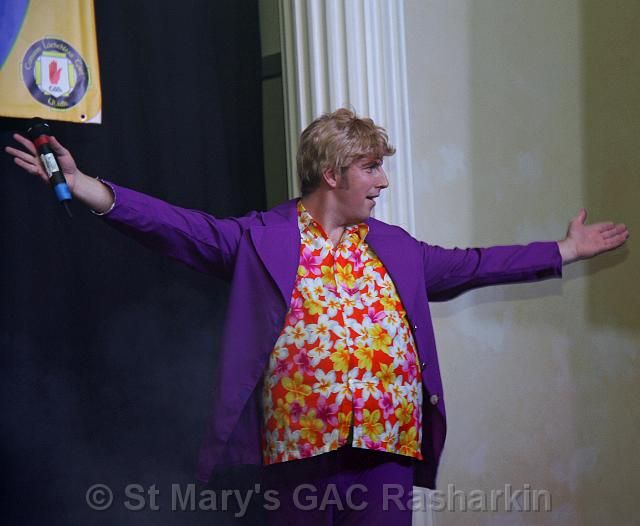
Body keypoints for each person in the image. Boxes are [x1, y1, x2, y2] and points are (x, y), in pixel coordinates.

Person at [5, 108, 629, 525]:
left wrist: (565, 250)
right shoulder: (261, 239)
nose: (383, 181)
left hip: (384, 448)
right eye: (371, 168)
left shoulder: (397, 248)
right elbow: (177, 228)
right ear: (332, 173)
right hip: (300, 450)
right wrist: (86, 186)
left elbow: (474, 265)